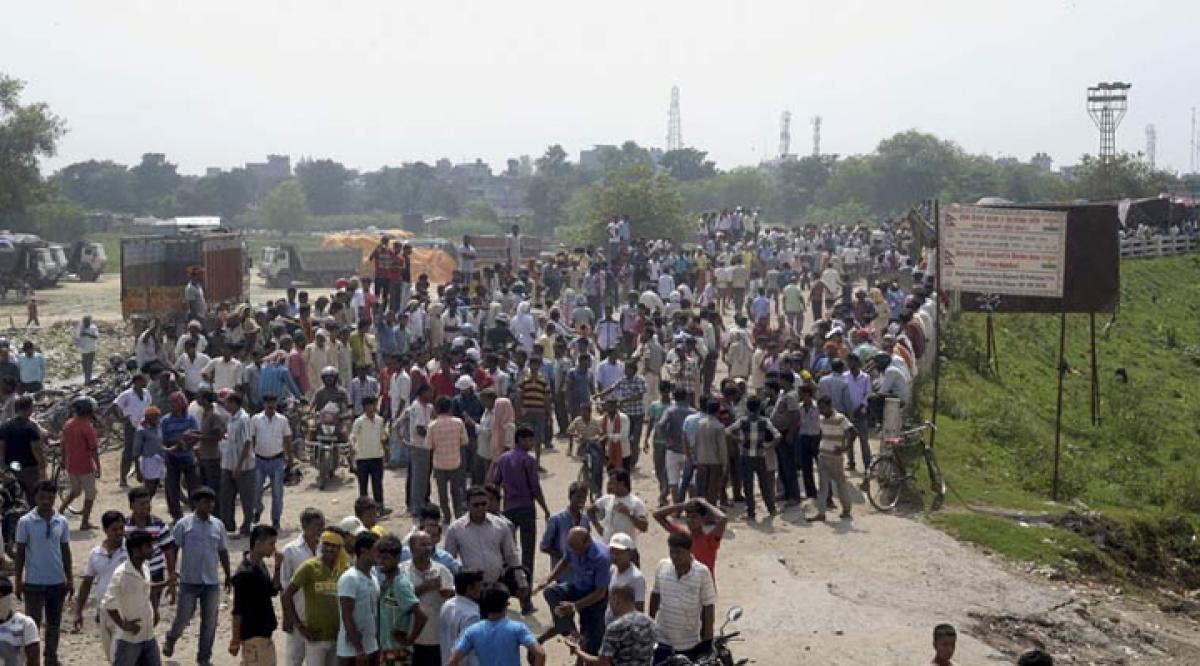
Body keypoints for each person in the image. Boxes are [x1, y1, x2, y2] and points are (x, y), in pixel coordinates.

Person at [163, 487, 231, 665]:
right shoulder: (183, 524)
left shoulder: (218, 525)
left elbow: (223, 551)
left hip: (211, 582)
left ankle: (204, 658)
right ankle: (172, 637)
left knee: (210, 622)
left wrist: (228, 575)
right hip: (189, 581)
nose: (209, 505)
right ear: (196, 503)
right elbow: (173, 549)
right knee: (184, 616)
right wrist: (172, 572)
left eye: (211, 502)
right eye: (205, 502)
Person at [491, 425, 550, 614]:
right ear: (522, 440)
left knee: (508, 554)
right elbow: (535, 487)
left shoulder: (503, 459)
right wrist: (545, 508)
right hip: (526, 509)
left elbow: (495, 483)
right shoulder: (528, 460)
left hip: (508, 509)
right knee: (527, 555)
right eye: (530, 440)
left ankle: (505, 596)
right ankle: (526, 602)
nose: (532, 444)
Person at [14, 479, 72, 666]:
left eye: (50, 497)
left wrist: (69, 578)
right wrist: (18, 580)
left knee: (54, 624)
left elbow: (65, 551)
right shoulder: (25, 522)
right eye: (42, 497)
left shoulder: (61, 521)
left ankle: (51, 658)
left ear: (55, 497)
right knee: (33, 625)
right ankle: (33, 660)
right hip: (33, 582)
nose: (46, 501)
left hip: (57, 581)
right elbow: (20, 552)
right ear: (35, 497)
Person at [533, 526, 610, 656]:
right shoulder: (572, 545)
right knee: (551, 592)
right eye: (571, 548)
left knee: (592, 644)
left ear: (587, 543)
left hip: (594, 597)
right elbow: (565, 560)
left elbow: (600, 592)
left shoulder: (601, 557)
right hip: (577, 587)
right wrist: (547, 580)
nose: (573, 551)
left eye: (576, 549)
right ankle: (570, 631)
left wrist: (575, 606)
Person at [443, 488, 528, 602]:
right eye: (476, 505)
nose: (480, 508)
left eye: (484, 504)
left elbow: (511, 555)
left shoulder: (501, 525)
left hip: (496, 584)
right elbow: (448, 560)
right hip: (471, 589)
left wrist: (521, 581)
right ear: (467, 505)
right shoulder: (456, 529)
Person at [282, 528, 348, 666]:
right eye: (327, 544)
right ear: (321, 545)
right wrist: (300, 627)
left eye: (334, 546)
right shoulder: (310, 567)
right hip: (316, 638)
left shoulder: (343, 570)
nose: (330, 549)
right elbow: (286, 595)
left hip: (337, 637)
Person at [649, 531, 716, 663]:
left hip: (689, 643)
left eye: (679, 552)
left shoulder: (702, 572)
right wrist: (650, 624)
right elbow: (655, 595)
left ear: (690, 551)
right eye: (672, 552)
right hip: (662, 639)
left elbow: (708, 607)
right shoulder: (662, 566)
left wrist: (707, 642)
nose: (674, 556)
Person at [73, 510, 127, 660]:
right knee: (110, 655)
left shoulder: (130, 551)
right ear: (105, 530)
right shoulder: (95, 554)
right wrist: (78, 612)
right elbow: (86, 584)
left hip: (124, 610)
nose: (119, 533)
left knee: (119, 655)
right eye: (114, 529)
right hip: (103, 611)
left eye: (121, 529)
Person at [447, 584, 546, 666]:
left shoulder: (472, 631)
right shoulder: (517, 628)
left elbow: (453, 661)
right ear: (506, 605)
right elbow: (540, 654)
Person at [276, 507, 326, 664]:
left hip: (319, 616)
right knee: (294, 659)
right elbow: (284, 587)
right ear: (305, 526)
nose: (321, 529)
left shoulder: (326, 549)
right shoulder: (290, 551)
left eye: (322, 525)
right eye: (317, 525)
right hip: (298, 613)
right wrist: (287, 616)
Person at [565, 583, 655, 666]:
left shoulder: (615, 627)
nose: (610, 605)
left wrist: (577, 651)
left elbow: (602, 662)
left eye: (610, 601)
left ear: (616, 600)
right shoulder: (649, 622)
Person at [102, 530, 157, 666]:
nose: (152, 549)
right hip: (129, 640)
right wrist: (123, 625)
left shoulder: (145, 567)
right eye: (148, 546)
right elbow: (108, 604)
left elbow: (147, 586)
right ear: (136, 550)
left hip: (148, 634)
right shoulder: (121, 575)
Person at [398, 530, 451, 666]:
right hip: (410, 639)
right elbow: (395, 601)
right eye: (423, 545)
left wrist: (449, 593)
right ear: (411, 548)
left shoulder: (442, 571)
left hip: (436, 638)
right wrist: (424, 587)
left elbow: (453, 600)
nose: (428, 548)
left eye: (429, 544)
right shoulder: (401, 572)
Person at [124, 486, 176, 625]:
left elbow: (169, 551)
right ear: (131, 505)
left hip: (155, 572)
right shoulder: (124, 526)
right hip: (133, 573)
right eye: (142, 504)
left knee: (152, 609)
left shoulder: (158, 525)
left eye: (148, 503)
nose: (146, 507)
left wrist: (171, 575)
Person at [230, 525, 280, 665]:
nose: (274, 548)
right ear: (258, 544)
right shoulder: (245, 574)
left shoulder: (259, 564)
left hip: (263, 634)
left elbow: (273, 591)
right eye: (271, 544)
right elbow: (237, 610)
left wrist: (278, 567)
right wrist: (235, 640)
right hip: (254, 635)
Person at [724, 396, 780, 520]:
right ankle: (771, 509)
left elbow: (727, 431)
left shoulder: (742, 421)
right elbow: (777, 435)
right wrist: (769, 445)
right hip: (760, 456)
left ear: (748, 408)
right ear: (759, 407)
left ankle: (751, 512)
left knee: (748, 486)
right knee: (764, 484)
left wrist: (738, 440)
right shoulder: (765, 421)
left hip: (745, 457)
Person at [374, 534, 424, 665]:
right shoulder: (385, 583)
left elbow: (421, 616)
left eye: (386, 558)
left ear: (397, 558)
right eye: (379, 558)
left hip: (399, 653)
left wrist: (409, 639)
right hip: (386, 651)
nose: (381, 562)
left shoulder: (400, 583)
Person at [652, 498, 726, 581]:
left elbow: (723, 519)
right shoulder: (682, 535)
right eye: (688, 517)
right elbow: (657, 515)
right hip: (684, 585)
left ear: (703, 519)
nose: (690, 520)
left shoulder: (710, 540)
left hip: (705, 587)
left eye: (694, 517)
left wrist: (705, 504)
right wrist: (683, 506)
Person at [587, 469, 648, 565]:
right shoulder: (607, 499)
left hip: (626, 550)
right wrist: (598, 527)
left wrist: (629, 514)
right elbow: (590, 510)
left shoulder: (636, 503)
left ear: (621, 483)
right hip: (608, 549)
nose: (609, 486)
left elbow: (644, 527)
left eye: (612, 483)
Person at [337, 531, 381, 665]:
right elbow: (347, 615)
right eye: (376, 550)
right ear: (363, 551)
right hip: (352, 652)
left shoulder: (373, 578)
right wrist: (359, 649)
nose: (380, 554)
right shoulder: (350, 578)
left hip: (371, 647)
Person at [249, 393, 292, 530]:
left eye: (273, 402)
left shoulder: (282, 420)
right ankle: (258, 509)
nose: (270, 405)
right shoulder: (256, 419)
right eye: (268, 402)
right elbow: (252, 439)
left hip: (277, 460)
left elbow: (287, 439)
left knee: (277, 494)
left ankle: (275, 520)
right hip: (260, 460)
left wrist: (290, 458)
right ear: (264, 404)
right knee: (256, 491)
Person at [812, 395, 856, 522]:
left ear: (830, 406)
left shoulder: (840, 418)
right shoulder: (821, 419)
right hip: (823, 455)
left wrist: (844, 448)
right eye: (819, 408)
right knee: (823, 485)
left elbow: (853, 432)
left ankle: (846, 509)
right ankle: (821, 513)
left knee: (840, 483)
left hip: (835, 457)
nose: (821, 411)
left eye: (823, 408)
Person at [60, 396, 101, 529]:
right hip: (85, 466)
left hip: (71, 464)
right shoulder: (87, 427)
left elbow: (63, 444)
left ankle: (60, 511)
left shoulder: (68, 424)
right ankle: (85, 522)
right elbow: (93, 449)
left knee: (75, 491)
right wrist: (98, 467)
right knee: (90, 494)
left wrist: (62, 459)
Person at [218, 394, 255, 538]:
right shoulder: (231, 419)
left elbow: (247, 443)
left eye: (227, 403)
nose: (225, 406)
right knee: (226, 497)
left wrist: (239, 466)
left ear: (234, 403)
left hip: (243, 467)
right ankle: (228, 526)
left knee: (246, 498)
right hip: (228, 464)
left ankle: (247, 526)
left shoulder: (244, 419)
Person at [159, 391, 200, 522]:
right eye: (171, 402)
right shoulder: (165, 420)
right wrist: (177, 442)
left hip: (188, 456)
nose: (172, 405)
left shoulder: (190, 419)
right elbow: (162, 440)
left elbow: (196, 435)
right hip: (172, 457)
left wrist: (186, 443)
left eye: (175, 402)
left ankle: (196, 513)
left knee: (193, 486)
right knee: (172, 487)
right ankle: (176, 515)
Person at [540, 482, 591, 585]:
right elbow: (544, 546)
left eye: (584, 498)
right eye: (578, 497)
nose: (581, 501)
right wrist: (565, 558)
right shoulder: (557, 519)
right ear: (570, 497)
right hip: (562, 575)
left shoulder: (585, 520)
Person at [427, 396, 468, 521]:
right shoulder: (459, 423)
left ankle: (446, 516)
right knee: (456, 491)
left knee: (442, 493)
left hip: (439, 464)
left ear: (437, 408)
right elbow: (464, 442)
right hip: (455, 462)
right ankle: (458, 514)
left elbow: (429, 446)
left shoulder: (432, 425)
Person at [0, 395, 47, 503]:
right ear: (29, 409)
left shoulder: (5, 426)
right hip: (29, 468)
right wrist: (42, 466)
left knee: (13, 496)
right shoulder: (30, 427)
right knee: (34, 497)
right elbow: (36, 449)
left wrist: (3, 466)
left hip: (11, 466)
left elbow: (1, 448)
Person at [349, 396, 389, 509]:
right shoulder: (359, 422)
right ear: (364, 407)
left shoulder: (379, 421)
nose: (371, 408)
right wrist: (352, 445)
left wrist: (386, 453)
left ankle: (379, 506)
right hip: (362, 457)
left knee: (377, 484)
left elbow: (383, 437)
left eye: (373, 405)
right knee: (363, 485)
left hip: (377, 456)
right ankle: (363, 508)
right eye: (368, 406)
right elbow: (353, 435)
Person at [438, 570, 484, 666]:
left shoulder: (447, 605)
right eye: (479, 586)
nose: (481, 589)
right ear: (469, 589)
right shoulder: (472, 616)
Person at [115, 374, 152, 488]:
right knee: (128, 452)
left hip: (145, 425)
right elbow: (116, 405)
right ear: (135, 382)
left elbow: (149, 405)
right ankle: (123, 478)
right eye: (142, 381)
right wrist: (121, 418)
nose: (144, 383)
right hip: (131, 426)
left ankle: (146, 476)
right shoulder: (127, 394)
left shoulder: (146, 393)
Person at [76, 315, 101, 384]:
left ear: (90, 321)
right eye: (85, 321)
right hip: (83, 349)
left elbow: (96, 337)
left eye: (88, 321)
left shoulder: (93, 328)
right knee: (84, 365)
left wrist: (87, 334)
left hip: (91, 349)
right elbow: (77, 337)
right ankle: (86, 378)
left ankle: (88, 380)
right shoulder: (81, 328)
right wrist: (78, 342)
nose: (86, 323)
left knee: (89, 364)